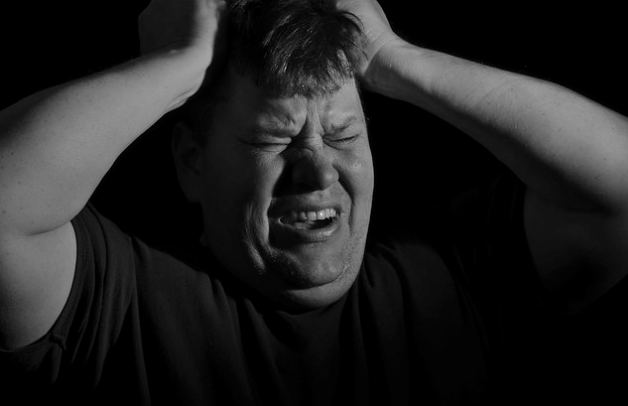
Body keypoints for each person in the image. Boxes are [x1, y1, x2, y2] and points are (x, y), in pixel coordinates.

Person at [1, 0, 627, 404]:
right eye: (274, 138)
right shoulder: (116, 307)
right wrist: (181, 65)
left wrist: (392, 58)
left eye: (343, 133)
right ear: (192, 161)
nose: (318, 167)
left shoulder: (456, 277)